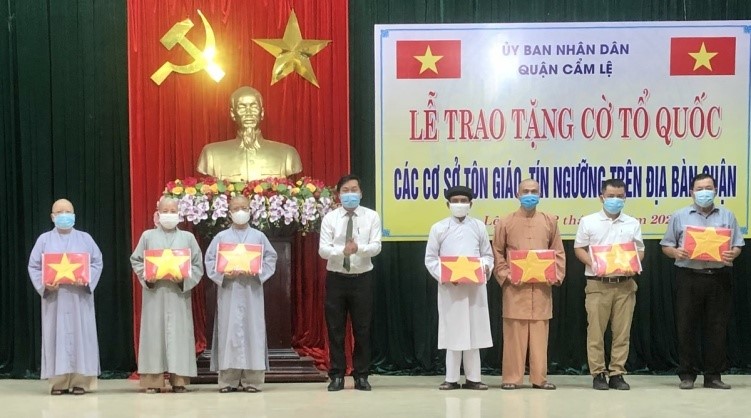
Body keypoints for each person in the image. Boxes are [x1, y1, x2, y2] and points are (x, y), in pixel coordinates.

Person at [660, 173, 744, 390]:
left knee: (717, 327)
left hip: (718, 277)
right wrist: (676, 252)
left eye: (708, 187)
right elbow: (666, 245)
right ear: (692, 192)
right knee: (686, 326)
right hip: (688, 277)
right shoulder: (680, 216)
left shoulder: (727, 215)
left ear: (715, 190)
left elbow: (737, 244)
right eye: (700, 188)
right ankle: (687, 374)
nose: (704, 192)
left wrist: (733, 254)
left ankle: (713, 375)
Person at [492, 179, 565, 390]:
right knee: (514, 335)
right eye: (526, 191)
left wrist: (556, 274)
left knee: (540, 337)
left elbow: (558, 250)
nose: (530, 195)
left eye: (534, 191)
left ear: (540, 194)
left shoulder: (550, 221)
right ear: (517, 194)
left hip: (542, 289)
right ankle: (511, 379)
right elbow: (497, 251)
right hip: (515, 288)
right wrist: (506, 274)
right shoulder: (505, 222)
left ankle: (539, 379)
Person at [574, 178, 644, 390]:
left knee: (622, 332)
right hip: (598, 283)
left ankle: (617, 373)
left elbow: (640, 250)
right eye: (611, 196)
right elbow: (579, 248)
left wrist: (635, 263)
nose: (615, 200)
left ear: (625, 198)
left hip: (625, 284)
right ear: (601, 197)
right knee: (595, 332)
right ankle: (598, 374)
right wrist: (593, 263)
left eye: (620, 196)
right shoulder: (588, 221)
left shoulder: (632, 222)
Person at [27, 199, 103, 395]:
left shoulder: (85, 238)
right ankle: (58, 382)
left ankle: (81, 382)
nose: (64, 215)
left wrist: (87, 280)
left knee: (81, 337)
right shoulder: (44, 240)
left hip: (80, 298)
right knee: (56, 336)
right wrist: (45, 285)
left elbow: (97, 262)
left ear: (74, 214)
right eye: (59, 212)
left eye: (68, 211)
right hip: (55, 299)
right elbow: (34, 266)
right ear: (53, 217)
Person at [204, 195, 278, 393]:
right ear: (229, 212)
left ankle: (253, 381)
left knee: (253, 331)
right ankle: (228, 381)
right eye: (236, 208)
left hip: (251, 290)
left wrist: (257, 271)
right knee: (228, 332)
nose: (240, 211)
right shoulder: (220, 237)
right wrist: (223, 273)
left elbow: (271, 257)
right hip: (229, 290)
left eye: (243, 207)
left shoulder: (259, 236)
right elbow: (210, 261)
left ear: (250, 210)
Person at [130, 196, 204, 393]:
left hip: (178, 295)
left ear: (179, 214)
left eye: (173, 211)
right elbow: (136, 260)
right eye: (166, 211)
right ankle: (152, 381)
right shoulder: (147, 237)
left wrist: (183, 280)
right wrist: (148, 277)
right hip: (155, 295)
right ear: (158, 213)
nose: (169, 215)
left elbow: (197, 265)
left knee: (178, 335)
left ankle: (179, 380)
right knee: (154, 335)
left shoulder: (187, 238)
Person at [425, 185, 493, 390]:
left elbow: (488, 256)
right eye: (455, 201)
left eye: (464, 201)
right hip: (451, 289)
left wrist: (483, 269)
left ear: (470, 204)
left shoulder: (479, 227)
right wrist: (446, 275)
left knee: (473, 333)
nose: (459, 205)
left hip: (474, 288)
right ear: (448, 204)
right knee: (453, 333)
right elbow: (430, 259)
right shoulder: (438, 228)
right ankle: (451, 379)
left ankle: (474, 379)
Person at [318, 174, 382, 391]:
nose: (350, 194)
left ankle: (361, 375)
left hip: (362, 278)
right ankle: (336, 375)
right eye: (345, 190)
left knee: (362, 329)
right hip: (336, 279)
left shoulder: (371, 217)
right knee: (335, 329)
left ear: (361, 193)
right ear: (338, 195)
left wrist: (359, 249)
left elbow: (376, 247)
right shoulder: (330, 218)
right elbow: (323, 250)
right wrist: (341, 251)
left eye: (354, 189)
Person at [196, 86, 303, 182]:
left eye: (254, 107)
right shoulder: (211, 154)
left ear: (262, 113)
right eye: (242, 107)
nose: (248, 112)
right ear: (233, 114)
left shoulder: (287, 154)